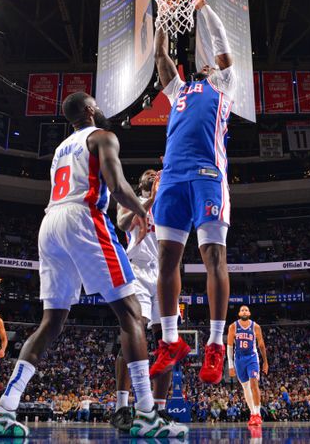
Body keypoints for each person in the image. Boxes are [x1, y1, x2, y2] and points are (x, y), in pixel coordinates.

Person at [0, 92, 187, 439]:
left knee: (51, 322)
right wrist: (141, 212)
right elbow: (118, 185)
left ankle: (4, 409)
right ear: (91, 110)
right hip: (83, 217)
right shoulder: (103, 137)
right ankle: (146, 413)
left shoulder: (61, 151)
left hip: (50, 225)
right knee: (131, 313)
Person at [150, 0, 235, 385]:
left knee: (213, 256)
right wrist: (164, 11)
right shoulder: (178, 91)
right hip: (171, 177)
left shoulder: (224, 84)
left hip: (207, 176)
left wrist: (202, 6)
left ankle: (216, 344)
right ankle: (170, 341)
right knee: (166, 259)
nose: (205, 65)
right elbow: (160, 56)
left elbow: (222, 48)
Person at [111, 168, 174, 432]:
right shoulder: (128, 199)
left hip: (162, 273)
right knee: (134, 329)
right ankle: (122, 407)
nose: (152, 173)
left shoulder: (169, 202)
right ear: (141, 182)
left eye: (155, 172)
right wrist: (149, 200)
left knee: (167, 343)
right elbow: (124, 223)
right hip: (136, 270)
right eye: (147, 173)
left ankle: (159, 409)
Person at [227, 306, 268, 427]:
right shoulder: (233, 326)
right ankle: (252, 413)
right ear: (239, 313)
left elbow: (261, 345)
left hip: (252, 358)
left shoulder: (256, 327)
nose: (244, 311)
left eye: (246, 310)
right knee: (245, 387)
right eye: (242, 310)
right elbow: (229, 346)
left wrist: (265, 361)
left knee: (254, 383)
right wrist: (230, 365)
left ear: (249, 313)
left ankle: (257, 413)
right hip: (239, 359)